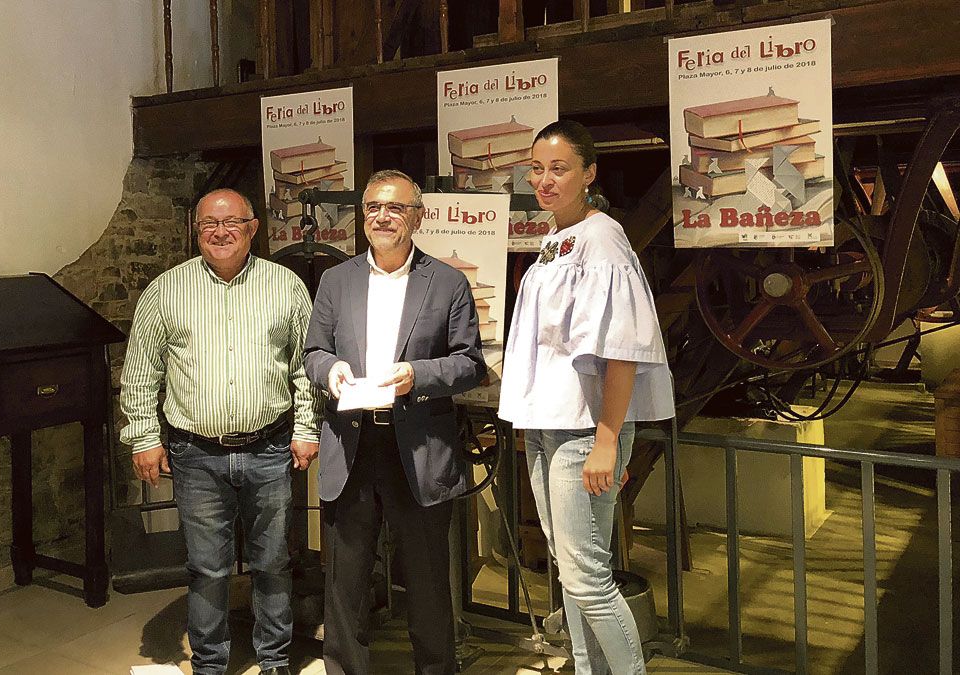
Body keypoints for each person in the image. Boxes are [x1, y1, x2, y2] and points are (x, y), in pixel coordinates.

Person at [119, 188, 324, 675]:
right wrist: (145, 438)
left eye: (232, 222)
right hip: (196, 454)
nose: (220, 231)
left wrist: (306, 426)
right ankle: (210, 664)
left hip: (271, 448)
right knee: (207, 567)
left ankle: (275, 661)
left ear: (253, 228)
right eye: (209, 223)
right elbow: (142, 371)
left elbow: (305, 367)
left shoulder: (286, 287)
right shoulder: (165, 290)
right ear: (196, 231)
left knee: (273, 562)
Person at [498, 121, 675, 675]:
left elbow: (622, 348)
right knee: (569, 568)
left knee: (586, 575)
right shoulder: (556, 239)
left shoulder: (602, 238)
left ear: (589, 173)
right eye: (537, 168)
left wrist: (607, 440)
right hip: (550, 425)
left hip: (583, 431)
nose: (544, 181)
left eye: (559, 169)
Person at [304, 169, 486, 675]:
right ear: (363, 217)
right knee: (345, 582)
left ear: (418, 217)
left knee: (428, 583)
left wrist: (418, 375)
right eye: (373, 208)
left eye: (395, 208)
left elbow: (470, 363)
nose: (382, 217)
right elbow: (313, 350)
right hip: (353, 445)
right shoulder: (336, 280)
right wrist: (330, 369)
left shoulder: (447, 281)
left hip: (419, 448)